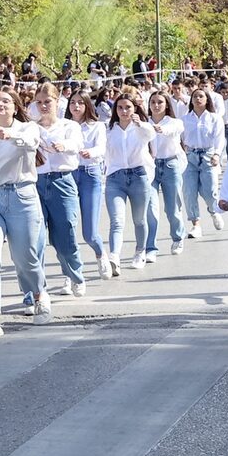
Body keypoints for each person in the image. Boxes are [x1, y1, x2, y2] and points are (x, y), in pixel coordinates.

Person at [0, 86, 50, 331]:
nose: (0, 105)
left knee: (25, 258)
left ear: (15, 106)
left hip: (22, 195)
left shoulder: (26, 128)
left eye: (6, 101)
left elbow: (30, 144)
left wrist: (8, 135)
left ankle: (39, 293)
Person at [33, 83, 87, 296]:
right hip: (36, 183)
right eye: (39, 103)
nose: (44, 106)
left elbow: (77, 144)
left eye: (48, 102)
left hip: (62, 181)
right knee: (34, 237)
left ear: (57, 102)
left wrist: (65, 146)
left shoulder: (69, 126)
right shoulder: (32, 128)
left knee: (65, 233)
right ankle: (35, 289)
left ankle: (74, 274)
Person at [104, 94, 155, 274]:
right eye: (120, 108)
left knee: (139, 219)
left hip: (138, 176)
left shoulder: (141, 127)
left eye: (128, 107)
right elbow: (103, 152)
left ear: (134, 109)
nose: (124, 111)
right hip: (115, 178)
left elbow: (150, 135)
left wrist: (139, 123)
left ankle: (140, 251)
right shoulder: (109, 130)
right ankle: (114, 257)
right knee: (116, 220)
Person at [66, 92, 111, 275]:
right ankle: (71, 272)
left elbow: (101, 148)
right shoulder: (65, 126)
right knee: (66, 227)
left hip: (90, 174)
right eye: (72, 103)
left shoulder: (97, 126)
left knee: (90, 233)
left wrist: (90, 152)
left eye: (80, 103)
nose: (76, 106)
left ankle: (101, 255)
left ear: (87, 106)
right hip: (68, 175)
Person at [143, 92, 185, 259]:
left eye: (160, 102)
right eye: (153, 102)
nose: (156, 105)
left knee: (172, 208)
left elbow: (173, 130)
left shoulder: (175, 122)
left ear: (166, 104)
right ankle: (150, 247)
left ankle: (177, 237)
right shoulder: (144, 123)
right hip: (150, 167)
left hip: (170, 165)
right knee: (150, 209)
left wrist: (161, 129)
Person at [181, 87, 225, 239]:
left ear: (207, 100)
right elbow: (180, 137)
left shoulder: (214, 118)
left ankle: (214, 211)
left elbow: (220, 138)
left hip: (208, 155)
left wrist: (217, 154)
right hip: (190, 157)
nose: (198, 99)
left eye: (201, 96)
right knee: (189, 191)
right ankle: (195, 224)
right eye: (195, 96)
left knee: (210, 189)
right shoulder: (185, 119)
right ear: (191, 100)